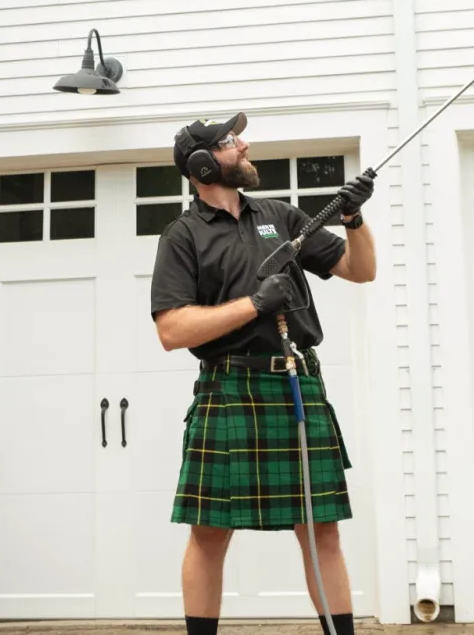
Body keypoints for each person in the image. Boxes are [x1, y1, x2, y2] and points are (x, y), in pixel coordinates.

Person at [150, 113, 377, 635]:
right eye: (231, 142)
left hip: (297, 380)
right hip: (230, 389)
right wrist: (254, 304)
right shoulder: (182, 236)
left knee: (322, 529)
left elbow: (360, 270)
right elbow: (172, 329)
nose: (245, 145)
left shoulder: (280, 215)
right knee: (208, 532)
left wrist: (355, 220)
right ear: (204, 164)